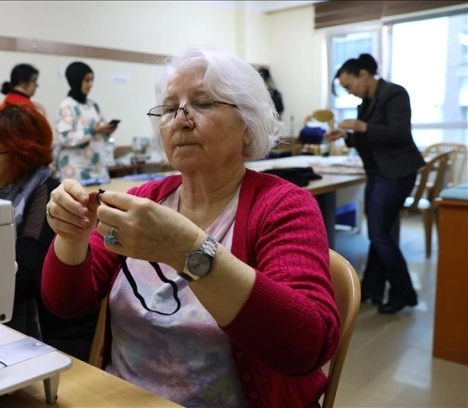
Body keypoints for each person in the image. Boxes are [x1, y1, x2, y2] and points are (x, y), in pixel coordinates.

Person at [41, 47, 340, 407]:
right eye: (169, 108)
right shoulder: (144, 198)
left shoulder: (283, 206)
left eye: (203, 103)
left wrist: (186, 249)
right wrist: (71, 238)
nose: (180, 119)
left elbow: (305, 347)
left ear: (247, 125)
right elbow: (67, 304)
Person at [0, 102, 97, 361]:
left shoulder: (49, 197)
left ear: (21, 154)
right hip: (5, 326)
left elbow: (23, 279)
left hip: (52, 338)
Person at [325, 53, 424, 314]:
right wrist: (346, 137)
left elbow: (401, 134)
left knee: (379, 233)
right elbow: (367, 140)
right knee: (381, 232)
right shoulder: (366, 102)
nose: (349, 92)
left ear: (364, 75)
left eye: (349, 86)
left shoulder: (394, 94)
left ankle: (403, 292)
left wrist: (362, 126)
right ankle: (372, 289)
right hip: (378, 173)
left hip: (396, 172)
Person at [55, 61, 117, 184]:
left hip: (97, 167)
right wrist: (93, 130)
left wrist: (107, 130)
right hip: (75, 170)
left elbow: (100, 128)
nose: (90, 84)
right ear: (76, 80)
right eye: (86, 80)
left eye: (92, 80)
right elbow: (65, 137)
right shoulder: (66, 106)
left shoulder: (93, 105)